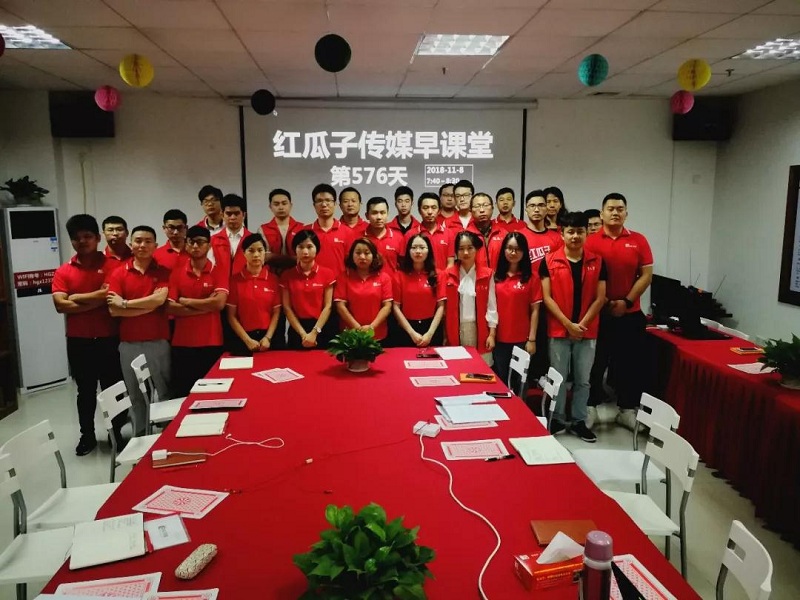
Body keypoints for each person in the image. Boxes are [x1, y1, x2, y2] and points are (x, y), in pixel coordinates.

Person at [52, 214, 125, 455]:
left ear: (97, 238)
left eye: (87, 236)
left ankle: (116, 434)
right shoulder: (64, 271)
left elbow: (111, 295)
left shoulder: (113, 266)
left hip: (109, 338)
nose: (82, 241)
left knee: (112, 389)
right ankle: (87, 436)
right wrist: (98, 297)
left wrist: (76, 298)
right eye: (76, 238)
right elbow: (60, 305)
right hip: (79, 341)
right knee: (85, 392)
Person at [585, 193, 653, 431]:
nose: (615, 213)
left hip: (630, 313)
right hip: (598, 312)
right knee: (595, 362)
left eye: (620, 209)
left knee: (629, 364)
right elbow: (586, 277)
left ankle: (626, 410)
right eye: (611, 209)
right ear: (602, 213)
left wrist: (626, 301)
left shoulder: (638, 240)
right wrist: (602, 302)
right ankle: (590, 407)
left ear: (626, 213)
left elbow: (646, 275)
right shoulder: (590, 242)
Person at [540, 212, 607, 443]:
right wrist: (568, 325)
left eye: (580, 231)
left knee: (583, 380)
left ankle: (579, 420)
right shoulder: (549, 261)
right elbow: (547, 298)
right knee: (557, 377)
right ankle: (557, 418)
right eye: (570, 232)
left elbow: (600, 298)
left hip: (587, 331)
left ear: (586, 233)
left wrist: (582, 325)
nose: (575, 236)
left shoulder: (598, 261)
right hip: (559, 329)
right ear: (562, 234)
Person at [106, 225, 171, 437]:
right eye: (138, 241)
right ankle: (141, 436)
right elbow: (113, 310)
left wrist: (125, 304)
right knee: (135, 395)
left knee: (165, 392)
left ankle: (166, 436)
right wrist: (149, 306)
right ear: (131, 244)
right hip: (129, 344)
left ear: (155, 245)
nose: (142, 245)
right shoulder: (118, 273)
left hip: (158, 341)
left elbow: (159, 300)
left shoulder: (163, 272)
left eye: (147, 241)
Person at [166, 226, 228, 397]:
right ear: (186, 244)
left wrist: (186, 301)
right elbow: (170, 307)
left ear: (209, 245)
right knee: (183, 395)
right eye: (191, 242)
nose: (195, 246)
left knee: (213, 395)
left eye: (200, 242)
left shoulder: (218, 271)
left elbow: (219, 304)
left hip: (211, 342)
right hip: (183, 343)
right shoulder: (177, 273)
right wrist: (206, 307)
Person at [491, 232, 542, 385]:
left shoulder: (532, 277)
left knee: (520, 383)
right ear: (504, 250)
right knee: (501, 380)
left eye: (518, 249)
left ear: (524, 252)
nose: (513, 253)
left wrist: (532, 339)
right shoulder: (494, 277)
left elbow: (535, 310)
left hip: (521, 340)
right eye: (510, 248)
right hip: (498, 339)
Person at [444, 231, 497, 365]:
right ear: (456, 252)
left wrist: (492, 334)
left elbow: (492, 306)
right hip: (455, 329)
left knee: (481, 369)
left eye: (470, 248)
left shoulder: (487, 274)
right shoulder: (448, 275)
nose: (466, 252)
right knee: (458, 367)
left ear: (476, 249)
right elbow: (444, 309)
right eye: (461, 249)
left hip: (480, 329)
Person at [280, 230, 337, 349]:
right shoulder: (287, 275)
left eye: (310, 247)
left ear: (317, 248)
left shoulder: (327, 273)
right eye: (300, 247)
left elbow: (328, 306)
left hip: (321, 328)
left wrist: (314, 333)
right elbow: (287, 308)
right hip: (297, 330)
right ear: (295, 249)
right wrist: (303, 335)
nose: (305, 251)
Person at [226, 234, 281, 355]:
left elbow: (276, 312)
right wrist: (247, 340)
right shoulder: (235, 280)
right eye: (251, 251)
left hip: (268, 339)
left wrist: (268, 338)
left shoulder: (273, 279)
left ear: (265, 252)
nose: (256, 255)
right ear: (244, 253)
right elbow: (231, 316)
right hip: (243, 339)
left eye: (260, 250)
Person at [334, 238, 393, 342]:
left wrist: (371, 327)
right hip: (350, 334)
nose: (362, 257)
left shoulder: (384, 278)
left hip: (377, 333)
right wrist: (358, 328)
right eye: (358, 253)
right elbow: (340, 307)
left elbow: (387, 306)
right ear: (351, 255)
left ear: (374, 256)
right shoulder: (343, 277)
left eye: (367, 253)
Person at [393, 234, 446, 347]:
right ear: (408, 251)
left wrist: (430, 334)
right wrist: (412, 333)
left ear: (429, 250)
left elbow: (441, 306)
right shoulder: (399, 275)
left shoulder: (439, 275)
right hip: (407, 329)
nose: (418, 251)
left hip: (432, 328)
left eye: (422, 247)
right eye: (414, 247)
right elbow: (396, 307)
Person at [308, 183, 354, 275]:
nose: (324, 204)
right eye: (319, 201)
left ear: (335, 204)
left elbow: (352, 263)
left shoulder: (348, 232)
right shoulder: (306, 232)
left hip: (339, 282)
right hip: (313, 282)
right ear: (314, 205)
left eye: (328, 200)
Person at [401, 192, 454, 272]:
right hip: (417, 279)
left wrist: (442, 277)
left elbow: (450, 263)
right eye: (425, 208)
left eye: (433, 208)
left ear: (439, 210)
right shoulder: (410, 234)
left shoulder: (449, 234)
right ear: (419, 211)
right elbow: (405, 263)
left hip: (442, 278)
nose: (429, 212)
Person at [211, 193, 252, 280]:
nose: (232, 217)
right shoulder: (213, 240)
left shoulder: (253, 241)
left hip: (245, 285)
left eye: (236, 213)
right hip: (220, 286)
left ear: (244, 215)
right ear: (222, 215)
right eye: (229, 214)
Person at [260, 188, 305, 260]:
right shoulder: (262, 230)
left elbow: (305, 256)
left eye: (284, 203)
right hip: (270, 268)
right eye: (276, 204)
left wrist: (272, 256)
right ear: (270, 207)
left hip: (298, 268)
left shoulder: (302, 228)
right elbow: (263, 256)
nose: (281, 207)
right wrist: (295, 258)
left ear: (290, 205)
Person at [522, 190, 563, 268]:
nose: (536, 210)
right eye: (532, 206)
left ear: (546, 210)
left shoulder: (557, 238)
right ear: (526, 210)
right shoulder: (519, 236)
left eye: (541, 205)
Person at [360, 196, 402, 273]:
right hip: (368, 280)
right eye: (374, 213)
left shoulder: (399, 238)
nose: (379, 217)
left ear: (388, 214)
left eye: (382, 213)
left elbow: (403, 268)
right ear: (367, 216)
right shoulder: (359, 238)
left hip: (392, 281)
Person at [466, 192, 504, 269]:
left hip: (499, 276)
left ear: (492, 208)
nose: (482, 210)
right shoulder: (465, 236)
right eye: (477, 206)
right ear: (470, 210)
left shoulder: (503, 234)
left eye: (486, 205)